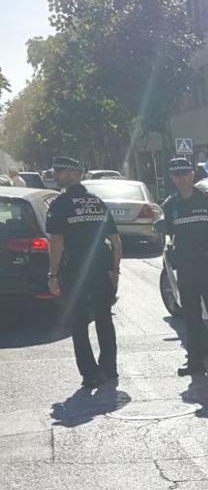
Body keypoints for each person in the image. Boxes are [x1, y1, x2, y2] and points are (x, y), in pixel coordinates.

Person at [45, 156, 122, 388]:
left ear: (64, 175)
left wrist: (54, 274)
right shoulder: (96, 202)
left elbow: (56, 242)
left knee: (79, 322)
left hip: (75, 270)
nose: (57, 177)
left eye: (58, 173)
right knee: (103, 319)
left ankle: (89, 373)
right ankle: (109, 368)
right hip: (100, 267)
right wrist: (115, 271)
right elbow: (116, 240)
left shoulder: (60, 204)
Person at [158, 157, 208, 377]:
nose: (182, 178)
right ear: (173, 177)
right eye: (177, 175)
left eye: (185, 174)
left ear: (192, 174)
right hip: (186, 266)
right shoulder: (171, 205)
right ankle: (195, 363)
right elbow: (168, 231)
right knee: (190, 316)